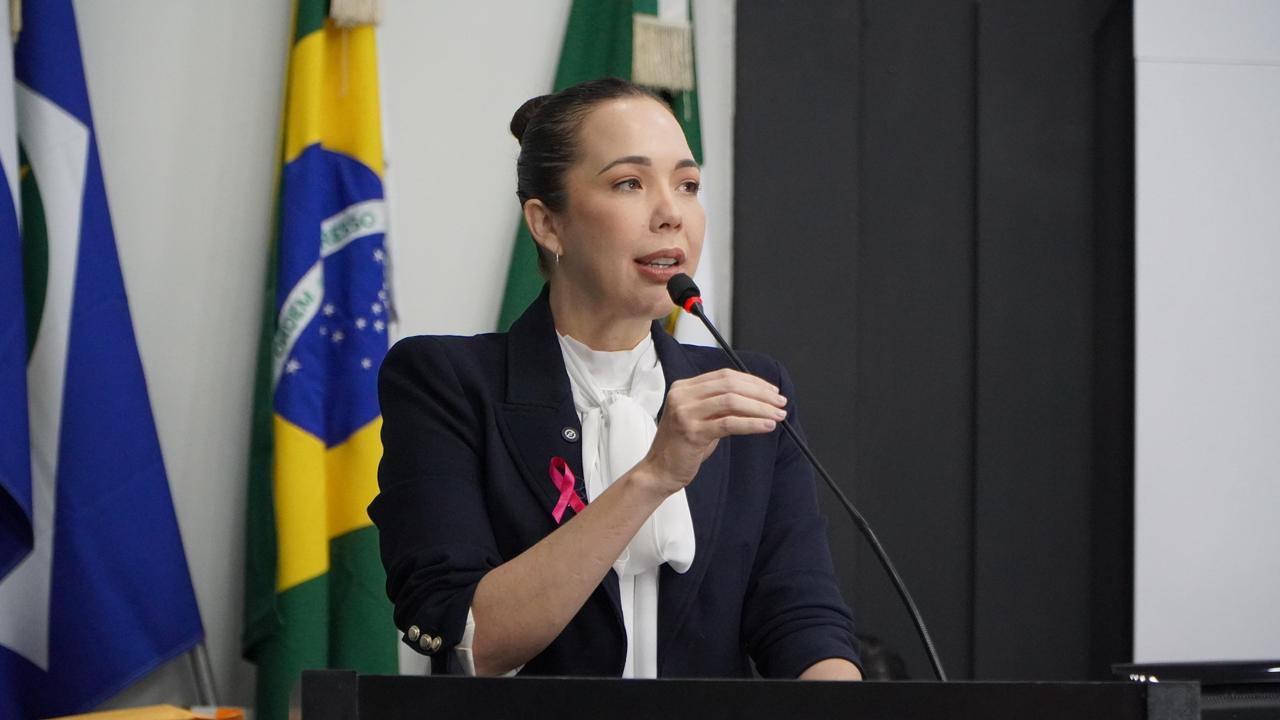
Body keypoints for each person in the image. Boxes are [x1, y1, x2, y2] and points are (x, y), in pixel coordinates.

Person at [370, 77, 861, 680]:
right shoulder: (444, 382)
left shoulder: (744, 386)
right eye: (630, 183)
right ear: (547, 224)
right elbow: (473, 642)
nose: (672, 214)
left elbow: (801, 621)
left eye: (688, 185)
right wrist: (653, 476)